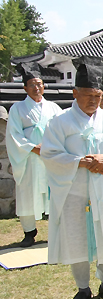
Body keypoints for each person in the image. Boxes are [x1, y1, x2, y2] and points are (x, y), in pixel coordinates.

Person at [40, 56, 103, 299]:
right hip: (76, 191)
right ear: (75, 93)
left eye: (97, 95)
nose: (93, 100)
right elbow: (49, 153)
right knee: (77, 238)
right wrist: (81, 162)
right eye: (88, 95)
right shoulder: (60, 122)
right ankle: (82, 288)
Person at [7, 62, 63, 247]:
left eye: (39, 84)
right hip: (29, 158)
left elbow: (62, 130)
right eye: (32, 85)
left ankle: (58, 230)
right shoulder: (17, 108)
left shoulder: (54, 108)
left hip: (50, 156)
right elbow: (14, 134)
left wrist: (51, 147)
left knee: (54, 192)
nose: (37, 88)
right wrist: (33, 147)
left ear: (44, 86)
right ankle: (29, 233)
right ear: (25, 87)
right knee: (27, 193)